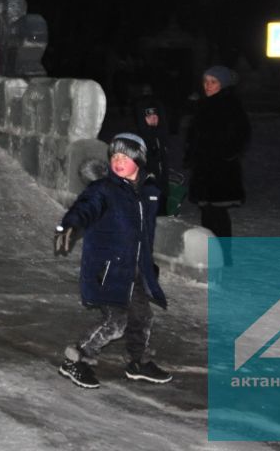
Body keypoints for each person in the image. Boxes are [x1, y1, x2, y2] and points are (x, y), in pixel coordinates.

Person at [53, 133, 171, 389]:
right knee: (116, 322)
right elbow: (85, 207)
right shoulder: (104, 189)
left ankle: (138, 362)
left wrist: (148, 265)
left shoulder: (149, 192)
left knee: (142, 316)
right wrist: (69, 225)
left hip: (136, 269)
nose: (118, 161)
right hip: (107, 269)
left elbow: (145, 232)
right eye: (114, 156)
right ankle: (76, 359)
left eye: (124, 156)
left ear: (138, 160)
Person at [184, 65, 250, 266]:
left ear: (223, 84)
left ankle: (224, 255)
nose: (208, 86)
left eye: (213, 82)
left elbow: (242, 133)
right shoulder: (205, 104)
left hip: (221, 168)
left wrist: (227, 154)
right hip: (204, 167)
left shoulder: (230, 104)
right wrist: (192, 154)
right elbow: (195, 135)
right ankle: (211, 253)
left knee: (217, 213)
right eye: (206, 81)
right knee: (207, 211)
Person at [131, 86, 170, 215]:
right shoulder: (141, 140)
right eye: (149, 116)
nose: (153, 118)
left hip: (161, 183)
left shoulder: (160, 136)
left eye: (155, 115)